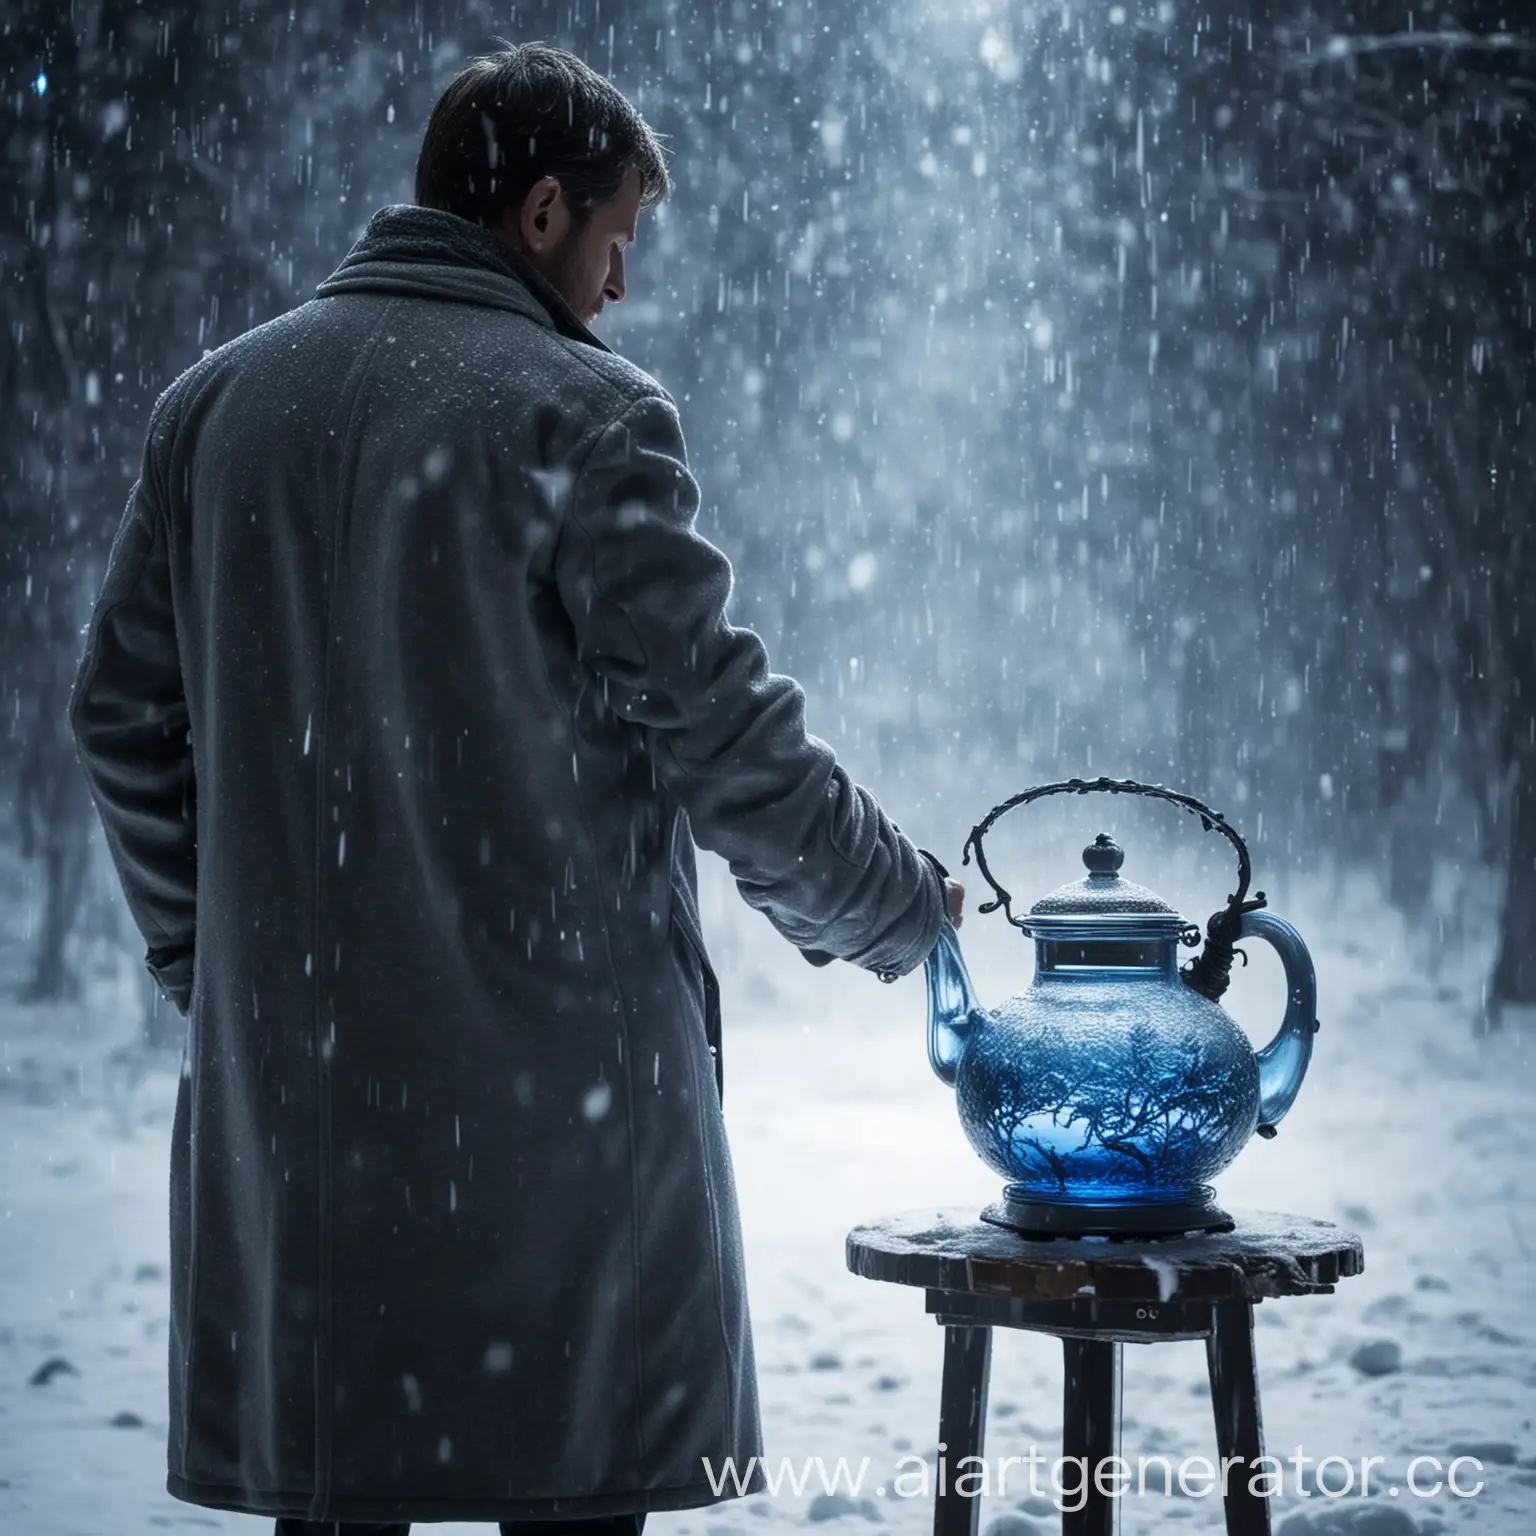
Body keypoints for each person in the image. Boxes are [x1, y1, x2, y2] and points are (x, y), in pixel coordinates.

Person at [66, 40, 964, 1536]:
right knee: (574, 1485)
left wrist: (207, 956)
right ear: (542, 214)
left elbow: (116, 721)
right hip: (561, 1120)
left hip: (305, 1123)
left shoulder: (211, 411)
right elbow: (726, 738)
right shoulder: (583, 417)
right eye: (617, 241)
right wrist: (897, 906)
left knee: (338, 1494)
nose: (618, 290)